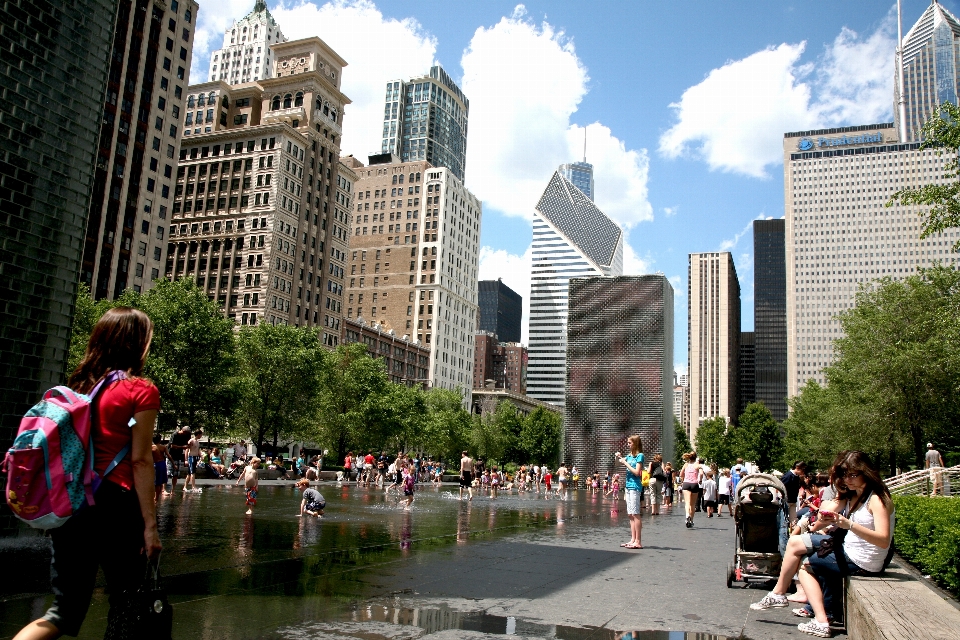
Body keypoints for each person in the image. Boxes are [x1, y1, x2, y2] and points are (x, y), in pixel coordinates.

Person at [14, 308, 161, 640]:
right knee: (128, 602)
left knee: (63, 612)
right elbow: (139, 461)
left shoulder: (78, 387)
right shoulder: (141, 391)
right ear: (138, 344)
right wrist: (151, 527)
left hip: (74, 504)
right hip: (117, 505)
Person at [750, 451, 894, 639]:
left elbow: (883, 540)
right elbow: (826, 513)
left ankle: (820, 621)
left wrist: (848, 524)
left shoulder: (877, 498)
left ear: (866, 472)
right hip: (849, 550)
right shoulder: (857, 494)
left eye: (852, 475)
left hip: (862, 560)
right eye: (844, 475)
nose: (847, 480)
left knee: (805, 565)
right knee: (795, 543)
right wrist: (832, 517)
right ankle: (780, 593)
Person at [616, 435, 645, 549]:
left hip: (635, 486)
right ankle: (633, 539)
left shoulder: (640, 456)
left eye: (629, 443)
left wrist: (625, 463)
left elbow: (637, 472)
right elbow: (618, 464)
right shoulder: (628, 456)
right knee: (630, 514)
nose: (627, 445)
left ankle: (638, 541)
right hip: (628, 487)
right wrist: (618, 457)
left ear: (635, 443)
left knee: (635, 513)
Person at [680, 452, 703, 528]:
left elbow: (681, 474)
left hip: (686, 483)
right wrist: (700, 480)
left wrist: (683, 479)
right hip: (694, 484)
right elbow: (701, 473)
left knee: (687, 503)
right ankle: (692, 520)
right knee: (692, 504)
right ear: (696, 457)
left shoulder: (686, 465)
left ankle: (687, 515)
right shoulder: (697, 465)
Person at [168, 425, 190, 492]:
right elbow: (172, 446)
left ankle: (173, 490)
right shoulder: (175, 434)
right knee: (167, 473)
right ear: (184, 431)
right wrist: (182, 447)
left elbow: (186, 444)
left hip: (178, 456)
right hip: (171, 456)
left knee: (176, 474)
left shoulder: (185, 436)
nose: (187, 435)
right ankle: (163, 489)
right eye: (186, 433)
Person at [183, 429, 203, 493]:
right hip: (191, 457)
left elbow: (197, 450)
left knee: (189, 473)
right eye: (201, 434)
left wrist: (201, 455)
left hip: (195, 457)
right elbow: (187, 450)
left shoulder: (197, 442)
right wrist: (186, 460)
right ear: (198, 434)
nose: (201, 436)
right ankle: (193, 487)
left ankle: (185, 487)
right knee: (192, 472)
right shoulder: (191, 441)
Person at [152, 434, 169, 502]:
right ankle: (157, 498)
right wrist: (174, 464)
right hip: (162, 464)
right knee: (159, 482)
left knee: (155, 482)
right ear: (160, 439)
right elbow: (169, 456)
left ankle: (155, 497)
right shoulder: (163, 447)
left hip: (155, 464)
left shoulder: (151, 447)